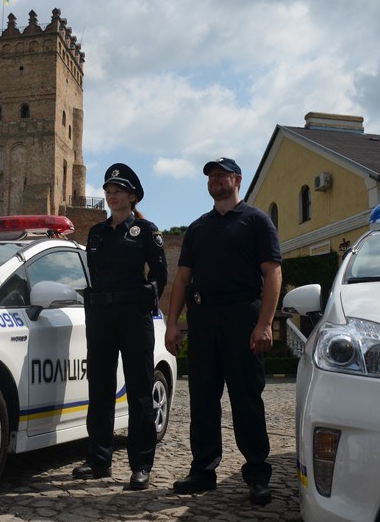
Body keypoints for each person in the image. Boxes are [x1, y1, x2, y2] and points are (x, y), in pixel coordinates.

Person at [164, 157, 282, 505]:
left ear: (237, 179)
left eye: (221, 174)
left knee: (246, 398)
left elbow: (273, 273)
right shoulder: (198, 228)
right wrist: (173, 323)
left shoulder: (257, 221)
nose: (215, 180)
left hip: (242, 317)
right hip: (203, 318)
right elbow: (183, 278)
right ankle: (203, 470)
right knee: (202, 399)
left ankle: (258, 474)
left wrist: (264, 323)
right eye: (211, 176)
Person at [73, 163, 168, 490]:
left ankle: (141, 464)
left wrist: (147, 299)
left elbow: (160, 276)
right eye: (108, 192)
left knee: (140, 393)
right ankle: (98, 460)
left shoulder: (146, 231)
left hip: (133, 317)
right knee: (99, 390)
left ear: (132, 196)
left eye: (118, 192)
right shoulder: (96, 234)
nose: (111, 197)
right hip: (101, 317)